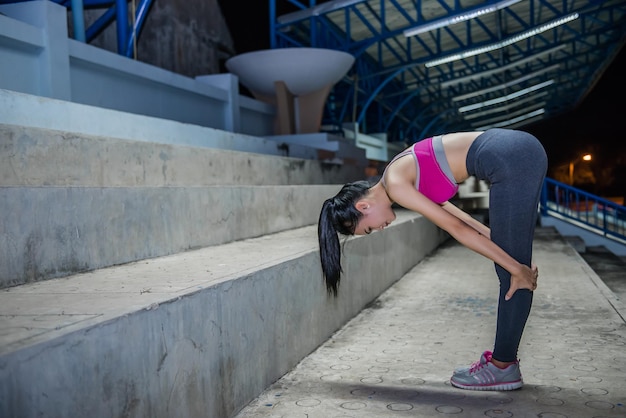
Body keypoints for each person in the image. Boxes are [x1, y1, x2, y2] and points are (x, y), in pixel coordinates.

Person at [317, 128, 547, 391]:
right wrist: (514, 257)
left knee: (513, 276)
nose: (379, 229)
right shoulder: (399, 174)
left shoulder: (395, 183)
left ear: (363, 207)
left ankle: (503, 367)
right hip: (520, 148)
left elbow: (456, 229)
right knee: (512, 268)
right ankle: (504, 363)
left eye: (368, 228)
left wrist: (515, 267)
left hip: (508, 156)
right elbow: (465, 221)